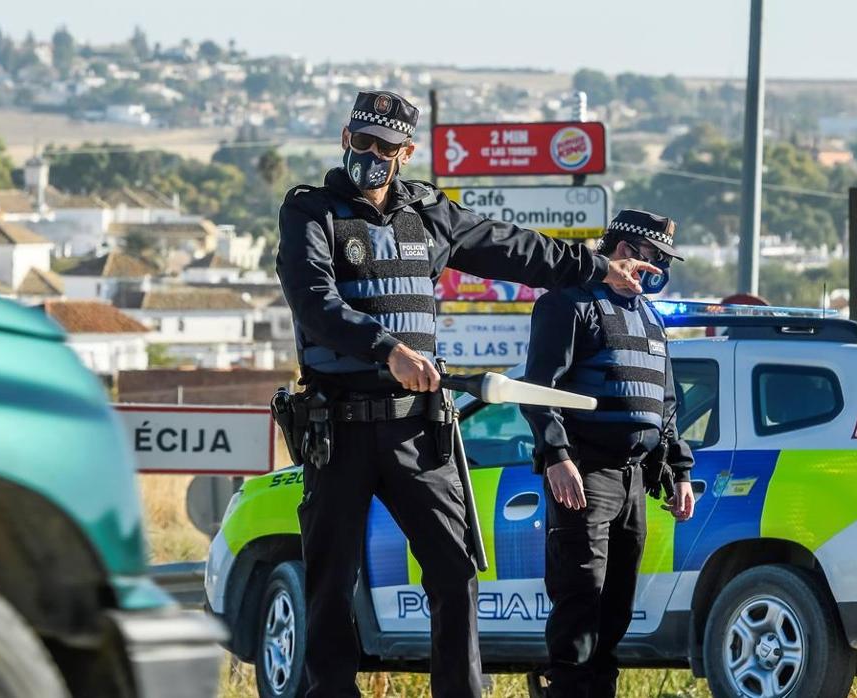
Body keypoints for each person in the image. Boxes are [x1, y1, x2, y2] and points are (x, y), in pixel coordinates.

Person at [276, 90, 658, 698]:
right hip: (339, 428)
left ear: (404, 152)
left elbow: (516, 249)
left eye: (383, 146)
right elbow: (313, 300)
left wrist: (596, 267)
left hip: (416, 429)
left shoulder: (428, 213)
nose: (368, 154)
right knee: (330, 584)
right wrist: (388, 350)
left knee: (455, 575)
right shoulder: (310, 211)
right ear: (345, 138)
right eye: (360, 141)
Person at [520, 209, 697, 698]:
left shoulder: (650, 318)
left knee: (615, 610)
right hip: (585, 474)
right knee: (581, 604)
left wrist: (679, 471)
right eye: (657, 257)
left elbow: (665, 405)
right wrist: (557, 456)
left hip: (633, 480)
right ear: (626, 252)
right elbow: (538, 390)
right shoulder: (569, 304)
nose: (662, 268)